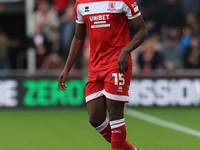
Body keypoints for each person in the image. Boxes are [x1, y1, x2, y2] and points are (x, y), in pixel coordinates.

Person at [58, 0, 148, 149]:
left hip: (117, 63)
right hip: (95, 66)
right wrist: (67, 68)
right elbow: (79, 38)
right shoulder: (81, 4)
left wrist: (125, 50)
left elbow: (142, 30)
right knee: (95, 118)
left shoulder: (123, 1)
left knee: (115, 114)